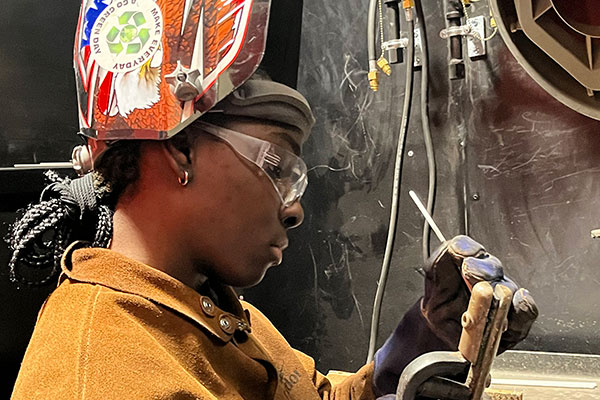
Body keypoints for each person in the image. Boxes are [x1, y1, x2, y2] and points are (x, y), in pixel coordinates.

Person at [6, 1, 538, 399]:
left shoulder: (206, 310)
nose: (295, 208)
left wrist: (424, 340)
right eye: (276, 168)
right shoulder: (102, 376)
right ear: (179, 149)